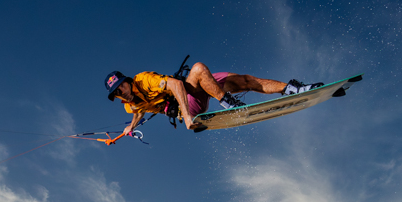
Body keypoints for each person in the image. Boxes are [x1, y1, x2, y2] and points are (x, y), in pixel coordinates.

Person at [105, 62, 318, 135]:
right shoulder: (130, 104)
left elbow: (176, 84)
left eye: (121, 86)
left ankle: (291, 89)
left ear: (127, 81)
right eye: (117, 92)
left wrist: (187, 117)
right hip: (190, 105)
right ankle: (226, 101)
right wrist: (130, 127)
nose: (121, 92)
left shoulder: (144, 80)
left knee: (244, 80)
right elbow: (138, 112)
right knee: (197, 69)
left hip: (189, 98)